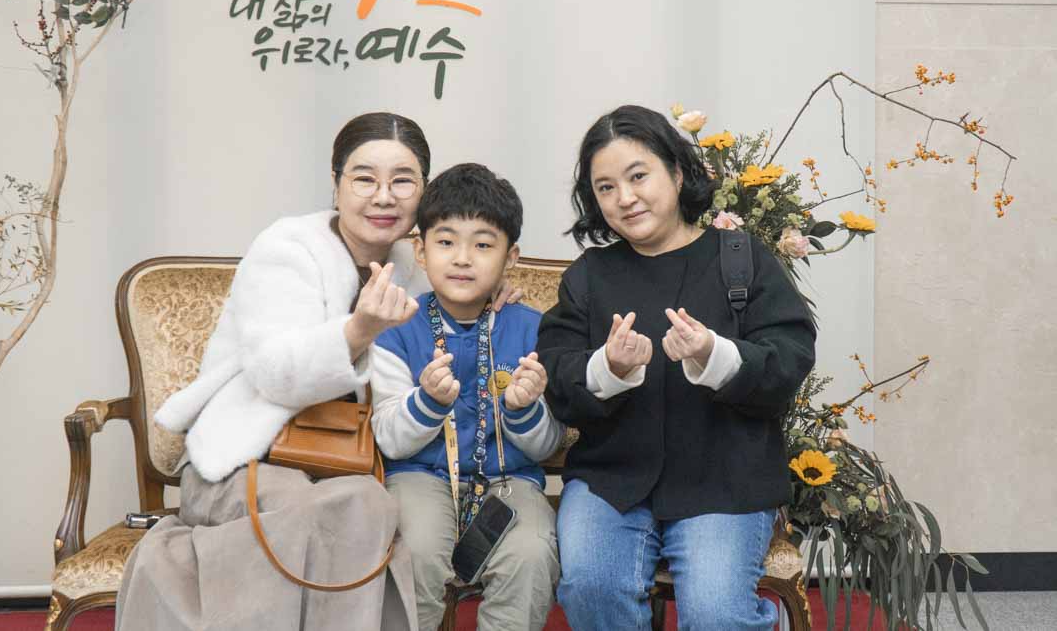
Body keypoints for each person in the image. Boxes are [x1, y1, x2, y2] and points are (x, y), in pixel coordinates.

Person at [116, 113, 515, 631]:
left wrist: (486, 294)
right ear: (336, 183)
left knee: (367, 504)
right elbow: (273, 374)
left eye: (402, 181)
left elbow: (455, 318)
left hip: (352, 465)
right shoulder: (286, 249)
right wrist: (358, 330)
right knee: (339, 512)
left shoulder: (421, 264)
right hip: (250, 458)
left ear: (423, 190)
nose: (384, 197)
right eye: (365, 178)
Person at [537, 105, 817, 630]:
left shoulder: (741, 258)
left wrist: (715, 355)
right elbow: (557, 372)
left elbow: (790, 355)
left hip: (725, 479)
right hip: (612, 481)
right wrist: (608, 367)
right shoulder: (590, 275)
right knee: (591, 588)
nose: (625, 197)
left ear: (677, 172)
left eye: (638, 176)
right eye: (605, 187)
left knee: (716, 615)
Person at [370, 163, 563, 631]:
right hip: (419, 475)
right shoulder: (395, 330)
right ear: (420, 250)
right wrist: (428, 402)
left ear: (510, 257)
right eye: (445, 242)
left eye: (482, 245)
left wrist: (522, 409)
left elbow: (548, 444)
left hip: (510, 481)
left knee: (533, 552)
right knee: (415, 550)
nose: (462, 258)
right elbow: (389, 439)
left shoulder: (536, 330)